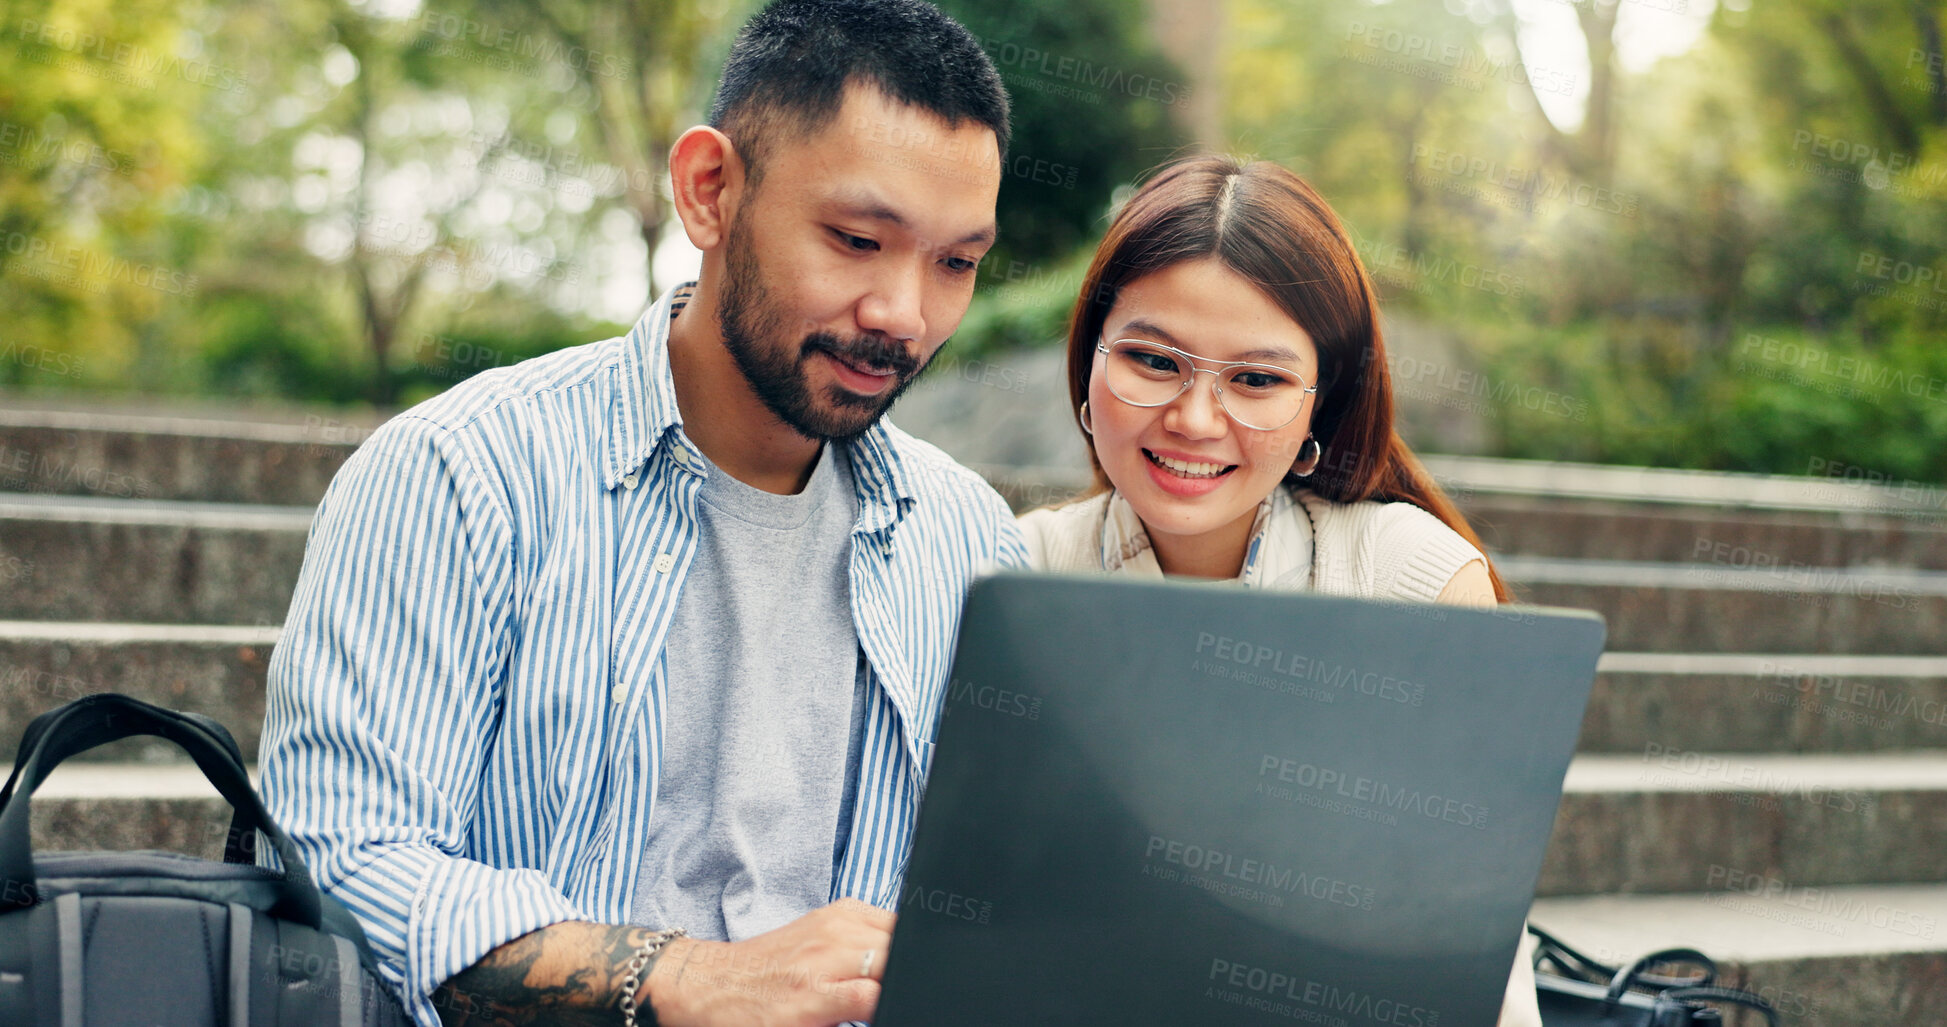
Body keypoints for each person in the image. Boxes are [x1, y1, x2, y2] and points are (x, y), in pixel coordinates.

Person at [257, 3, 1022, 1026]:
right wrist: (688, 978)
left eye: (956, 263)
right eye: (856, 238)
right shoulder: (461, 476)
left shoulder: (970, 541)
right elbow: (336, 862)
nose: (905, 312)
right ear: (710, 190)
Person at [1016, 154, 1543, 1026]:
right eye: (1152, 360)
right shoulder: (1016, 571)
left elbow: (1466, 938)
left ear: (1317, 407)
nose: (1193, 418)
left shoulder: (1414, 580)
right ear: (1089, 366)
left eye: (1255, 379)